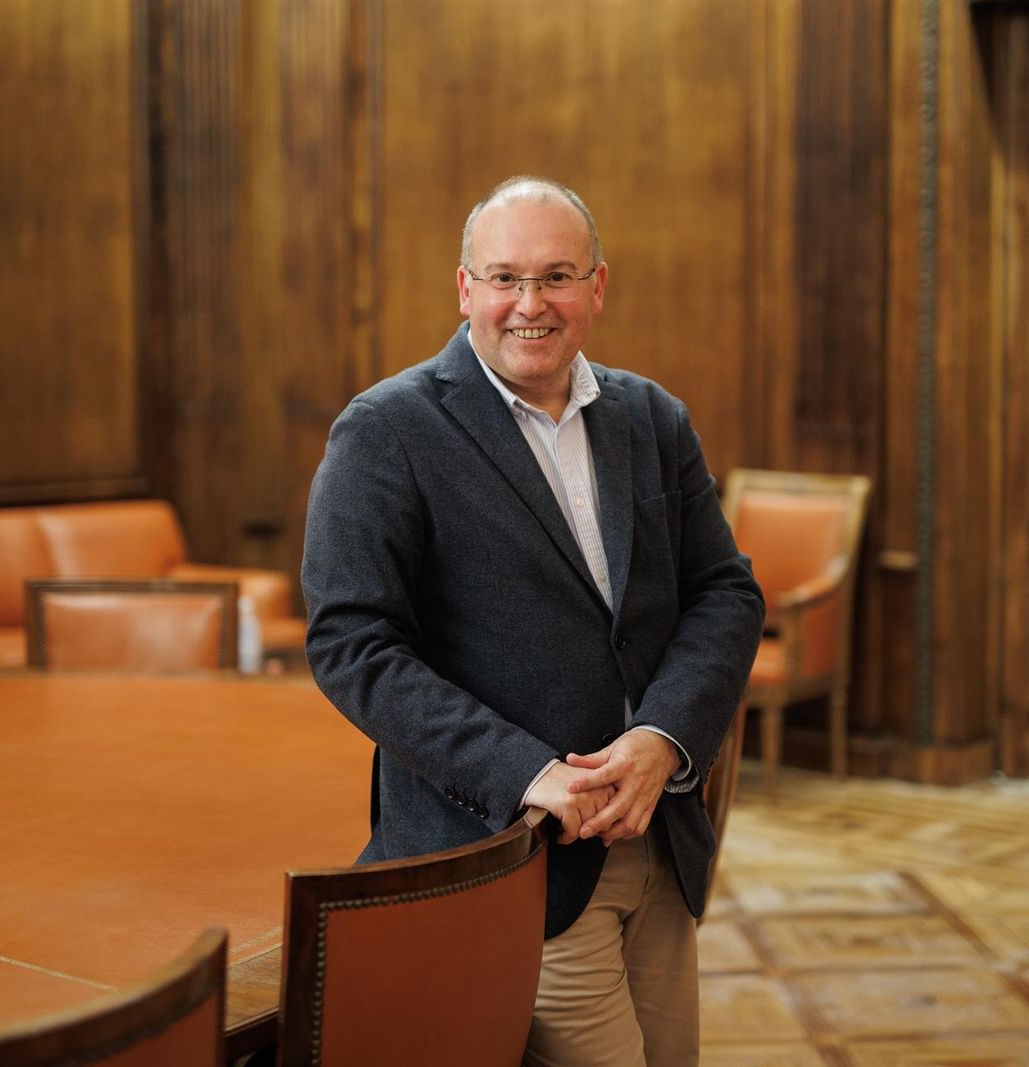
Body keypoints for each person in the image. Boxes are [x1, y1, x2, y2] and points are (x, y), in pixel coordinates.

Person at [302, 175, 764, 1065]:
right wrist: (526, 772)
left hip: (659, 842)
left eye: (556, 276)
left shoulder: (653, 417)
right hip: (510, 853)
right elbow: (351, 643)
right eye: (505, 277)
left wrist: (666, 736)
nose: (530, 304)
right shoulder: (387, 429)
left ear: (597, 287)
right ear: (465, 287)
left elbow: (725, 593)